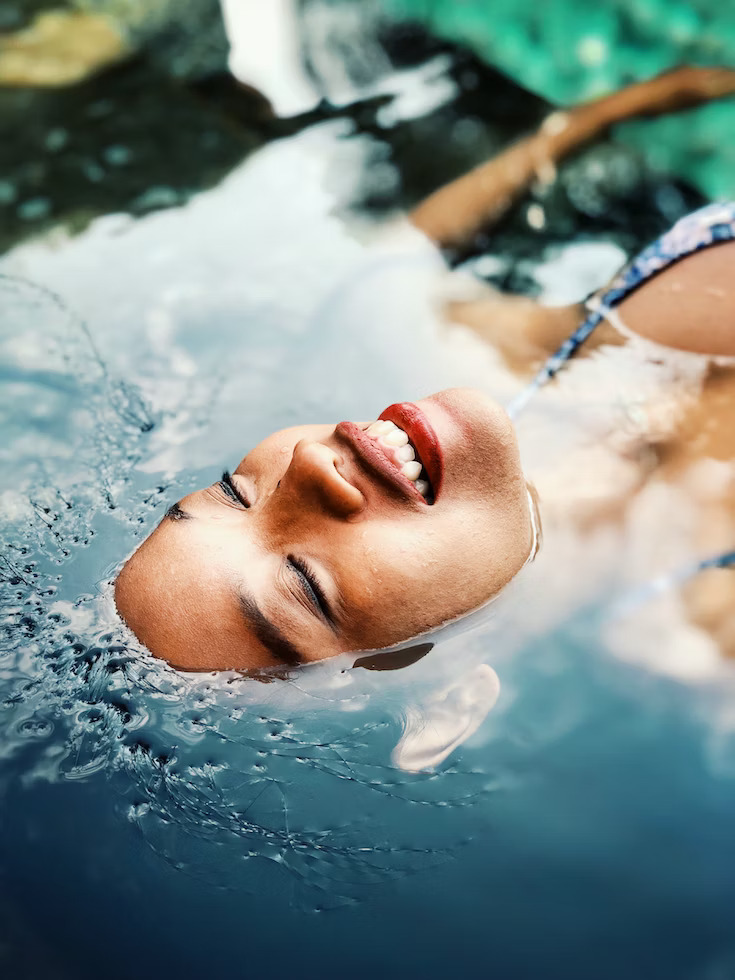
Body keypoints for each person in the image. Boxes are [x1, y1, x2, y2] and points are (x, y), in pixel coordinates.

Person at [114, 66, 735, 671]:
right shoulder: (704, 619)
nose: (307, 462)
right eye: (304, 584)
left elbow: (410, 246)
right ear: (453, 702)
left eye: (232, 492)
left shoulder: (446, 342)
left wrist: (608, 113)